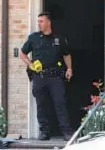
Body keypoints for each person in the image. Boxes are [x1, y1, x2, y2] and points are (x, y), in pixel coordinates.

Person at [19, 12, 74, 141]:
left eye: (41, 21)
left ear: (49, 23)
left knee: (60, 103)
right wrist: (30, 64)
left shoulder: (59, 39)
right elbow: (22, 53)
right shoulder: (34, 38)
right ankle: (44, 132)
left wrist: (70, 69)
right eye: (38, 21)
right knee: (41, 105)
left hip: (56, 77)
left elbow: (66, 55)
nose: (39, 23)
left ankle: (66, 132)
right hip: (40, 77)